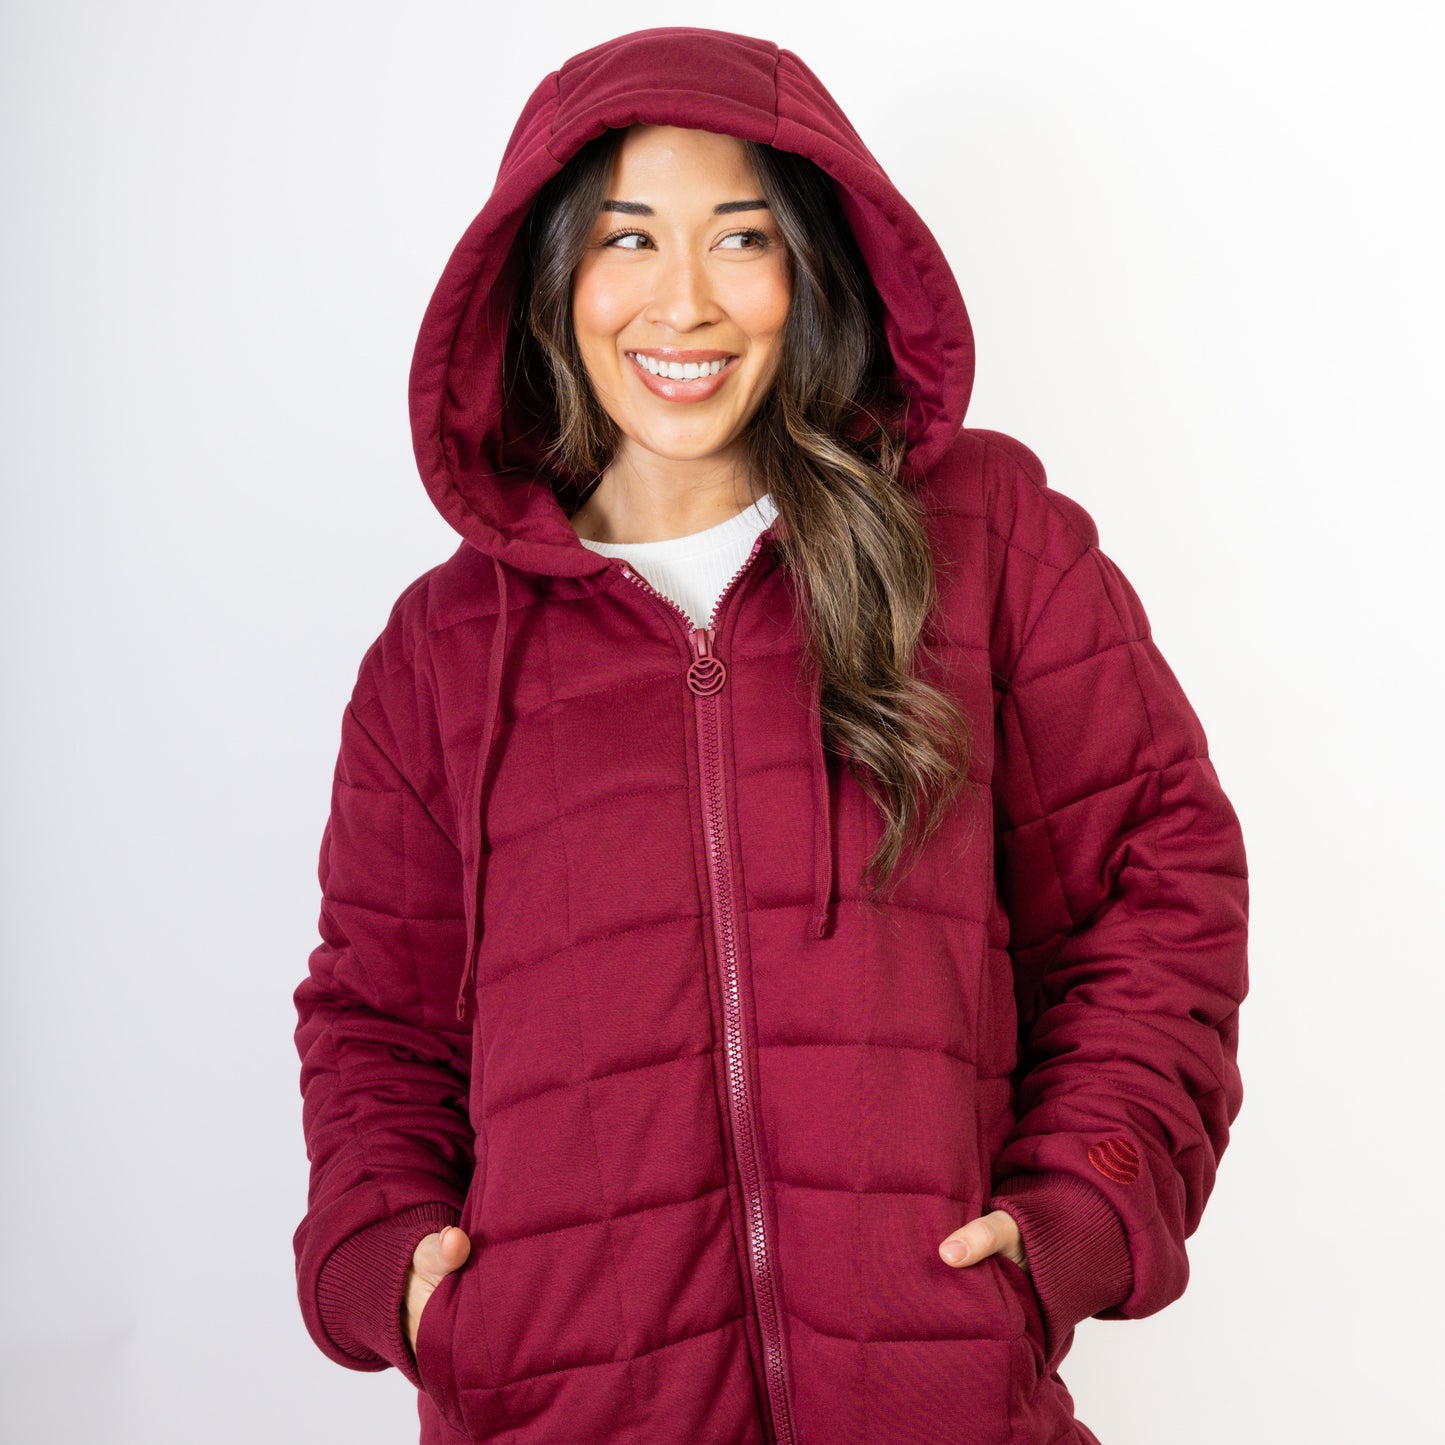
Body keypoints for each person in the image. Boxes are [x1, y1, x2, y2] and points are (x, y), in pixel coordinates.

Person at [293, 25, 1248, 1445]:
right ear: (550, 281)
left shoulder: (985, 543)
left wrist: (1085, 1205)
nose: (681, 301)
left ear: (808, 269)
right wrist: (399, 1266)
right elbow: (376, 1018)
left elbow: (1155, 887)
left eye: (740, 238)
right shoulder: (440, 654)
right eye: (626, 239)